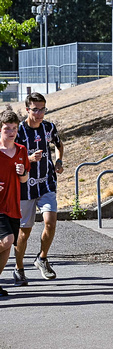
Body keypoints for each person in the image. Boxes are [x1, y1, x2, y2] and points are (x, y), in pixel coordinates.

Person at [14, 92, 64, 285]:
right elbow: (10, 157)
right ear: (27, 109)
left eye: (42, 108)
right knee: (24, 232)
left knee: (51, 223)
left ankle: (42, 258)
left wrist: (59, 160)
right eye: (35, 109)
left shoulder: (49, 127)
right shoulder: (18, 131)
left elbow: (59, 144)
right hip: (25, 187)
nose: (39, 113)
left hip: (46, 183)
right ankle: (19, 269)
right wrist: (28, 159)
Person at [0, 110, 30, 296]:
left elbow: (25, 180)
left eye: (14, 128)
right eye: (6, 129)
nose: (11, 132)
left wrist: (22, 173)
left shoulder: (21, 150)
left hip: (13, 205)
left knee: (7, 246)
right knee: (8, 239)